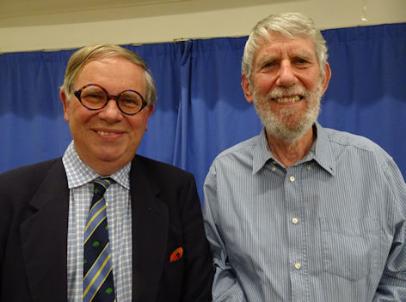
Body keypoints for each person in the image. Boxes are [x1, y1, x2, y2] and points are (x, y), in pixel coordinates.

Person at [203, 12, 406, 302]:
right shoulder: (223, 177)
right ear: (248, 87)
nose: (286, 77)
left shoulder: (376, 167)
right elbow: (218, 271)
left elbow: (401, 272)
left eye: (300, 61)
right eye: (270, 64)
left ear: (323, 79)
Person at [0, 44, 213, 302]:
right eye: (94, 96)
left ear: (147, 115)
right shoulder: (8, 196)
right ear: (66, 104)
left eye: (129, 100)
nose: (111, 114)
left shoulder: (177, 190)